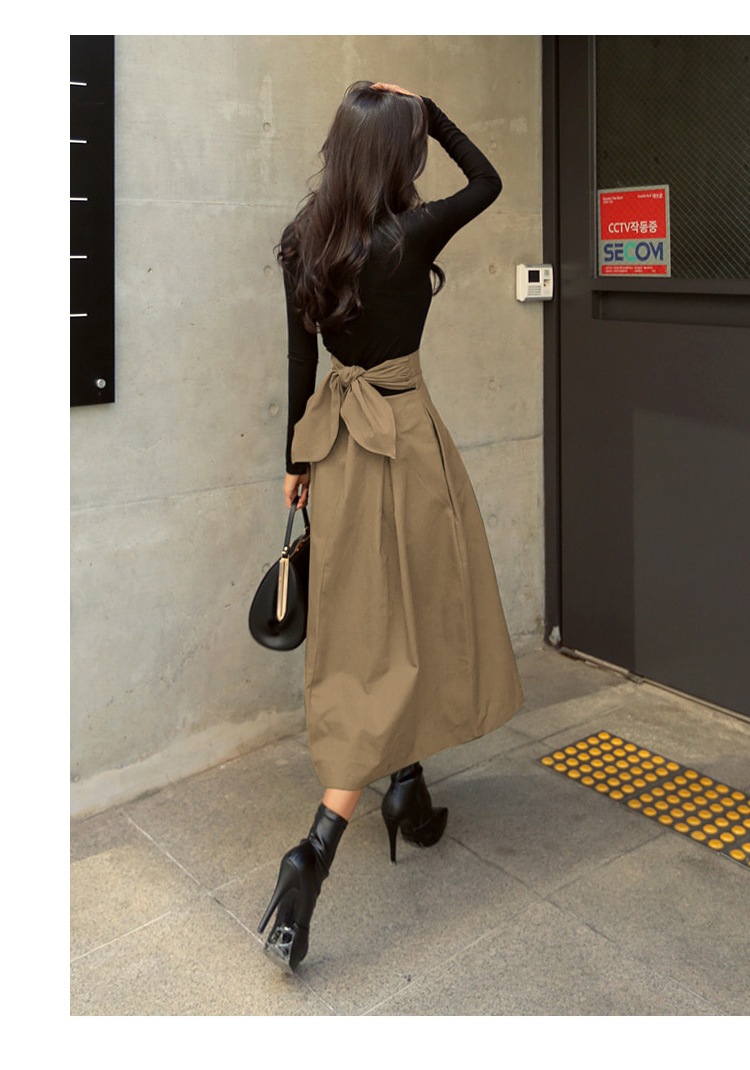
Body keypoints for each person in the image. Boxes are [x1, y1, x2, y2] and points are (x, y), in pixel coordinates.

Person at [258, 81, 525, 972]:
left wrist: (294, 465)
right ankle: (316, 847)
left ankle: (406, 787)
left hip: (335, 451)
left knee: (370, 623)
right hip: (406, 447)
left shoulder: (304, 240)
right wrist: (435, 108)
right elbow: (487, 181)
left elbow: (298, 362)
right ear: (398, 153)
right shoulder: (410, 234)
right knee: (420, 619)